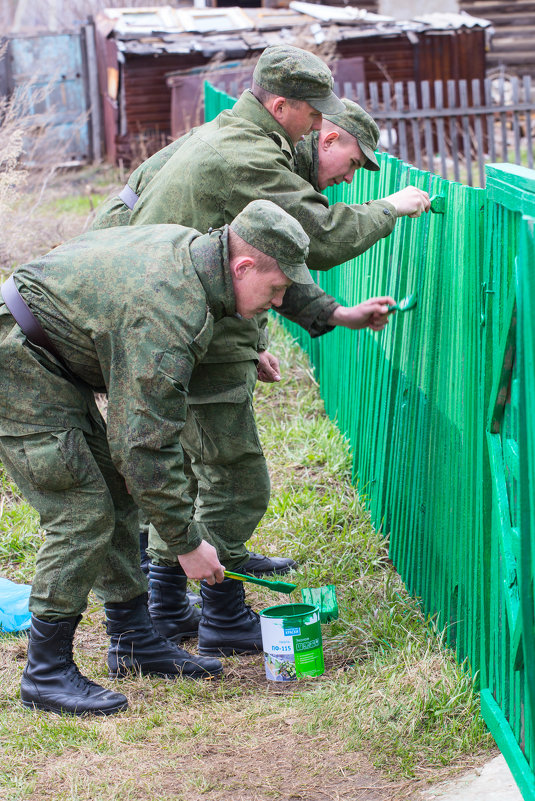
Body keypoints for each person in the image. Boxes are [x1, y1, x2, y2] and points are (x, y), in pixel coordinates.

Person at [94, 44, 429, 658]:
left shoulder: (230, 136)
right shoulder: (250, 153)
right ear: (284, 108)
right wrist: (390, 209)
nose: (349, 176)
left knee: (194, 465)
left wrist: (315, 319)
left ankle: (169, 605)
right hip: (172, 317)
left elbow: (251, 255)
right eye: (321, 126)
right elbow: (316, 238)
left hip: (154, 307)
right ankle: (218, 612)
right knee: (234, 476)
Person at [0, 200, 315, 716]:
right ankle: (45, 672)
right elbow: (143, 445)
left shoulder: (195, 254)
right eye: (276, 288)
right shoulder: (170, 313)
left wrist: (247, 348)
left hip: (46, 348)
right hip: (17, 359)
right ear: (242, 266)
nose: (277, 302)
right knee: (82, 510)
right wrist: (186, 544)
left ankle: (132, 640)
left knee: (118, 496)